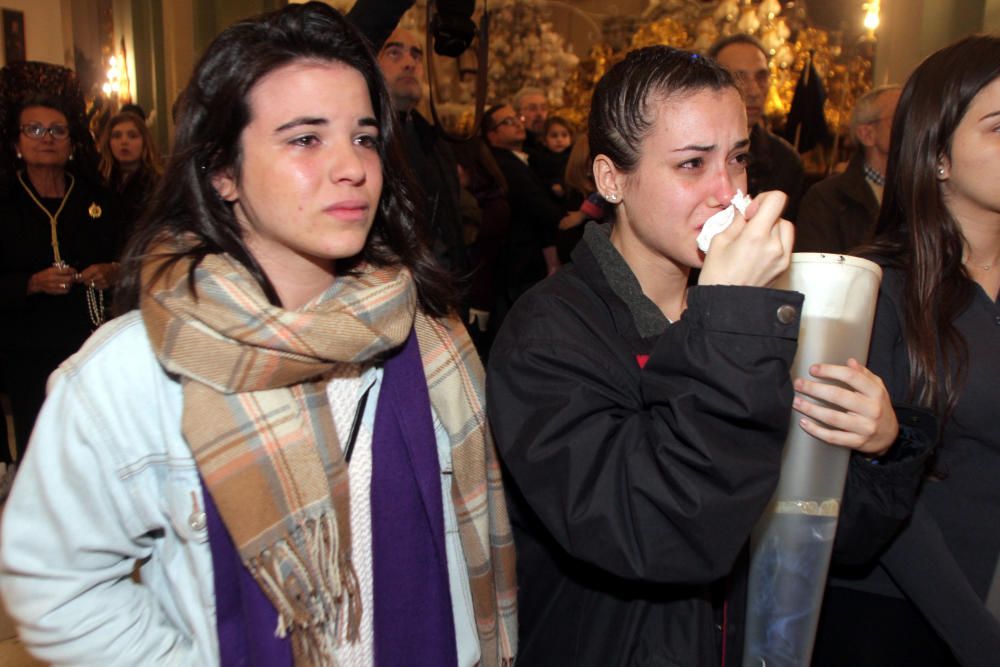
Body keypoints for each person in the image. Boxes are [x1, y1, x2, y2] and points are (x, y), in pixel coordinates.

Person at [0, 4, 516, 666]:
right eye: (305, 139)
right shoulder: (138, 369)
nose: (351, 167)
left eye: (363, 137)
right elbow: (53, 583)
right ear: (222, 171)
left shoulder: (429, 337)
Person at [487, 45, 927, 666]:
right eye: (692, 163)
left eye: (739, 158)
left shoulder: (760, 316)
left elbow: (826, 535)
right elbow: (657, 528)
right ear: (612, 179)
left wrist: (880, 449)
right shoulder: (549, 334)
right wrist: (732, 317)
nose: (729, 193)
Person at [813, 34, 1000, 667]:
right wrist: (977, 638)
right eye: (999, 127)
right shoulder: (877, 286)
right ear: (938, 155)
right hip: (897, 613)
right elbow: (883, 499)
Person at [0, 93, 120, 463]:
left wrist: (112, 271)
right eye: (34, 130)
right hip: (27, 349)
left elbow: (135, 257)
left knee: (97, 446)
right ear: (17, 144)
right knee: (42, 451)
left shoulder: (97, 197)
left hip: (90, 345)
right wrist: (32, 283)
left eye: (57, 130)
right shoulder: (5, 200)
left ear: (71, 142)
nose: (46, 138)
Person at [376, 25, 468, 277]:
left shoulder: (434, 141)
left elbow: (451, 228)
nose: (409, 63)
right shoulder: (364, 141)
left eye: (416, 55)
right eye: (394, 53)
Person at [709, 34, 805, 221]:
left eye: (761, 77)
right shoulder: (684, 151)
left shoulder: (786, 161)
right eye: (739, 78)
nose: (754, 91)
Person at [795, 85, 901, 253]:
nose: (912, 126)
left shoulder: (929, 192)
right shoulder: (826, 200)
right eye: (900, 118)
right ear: (867, 134)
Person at [482, 103, 562, 319]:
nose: (517, 123)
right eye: (507, 122)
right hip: (521, 267)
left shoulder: (525, 159)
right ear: (492, 135)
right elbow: (538, 207)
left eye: (516, 117)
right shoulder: (502, 164)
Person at [98, 109, 163, 248]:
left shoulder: (157, 183)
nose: (124, 142)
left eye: (132, 136)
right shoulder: (100, 182)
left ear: (144, 141)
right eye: (116, 136)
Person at [530, 115, 574, 201]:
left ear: (571, 138)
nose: (559, 139)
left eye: (564, 135)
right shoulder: (540, 159)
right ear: (544, 140)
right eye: (554, 136)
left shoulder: (573, 157)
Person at [512, 86, 549, 156]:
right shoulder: (516, 145)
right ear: (518, 114)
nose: (540, 114)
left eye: (543, 108)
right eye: (532, 108)